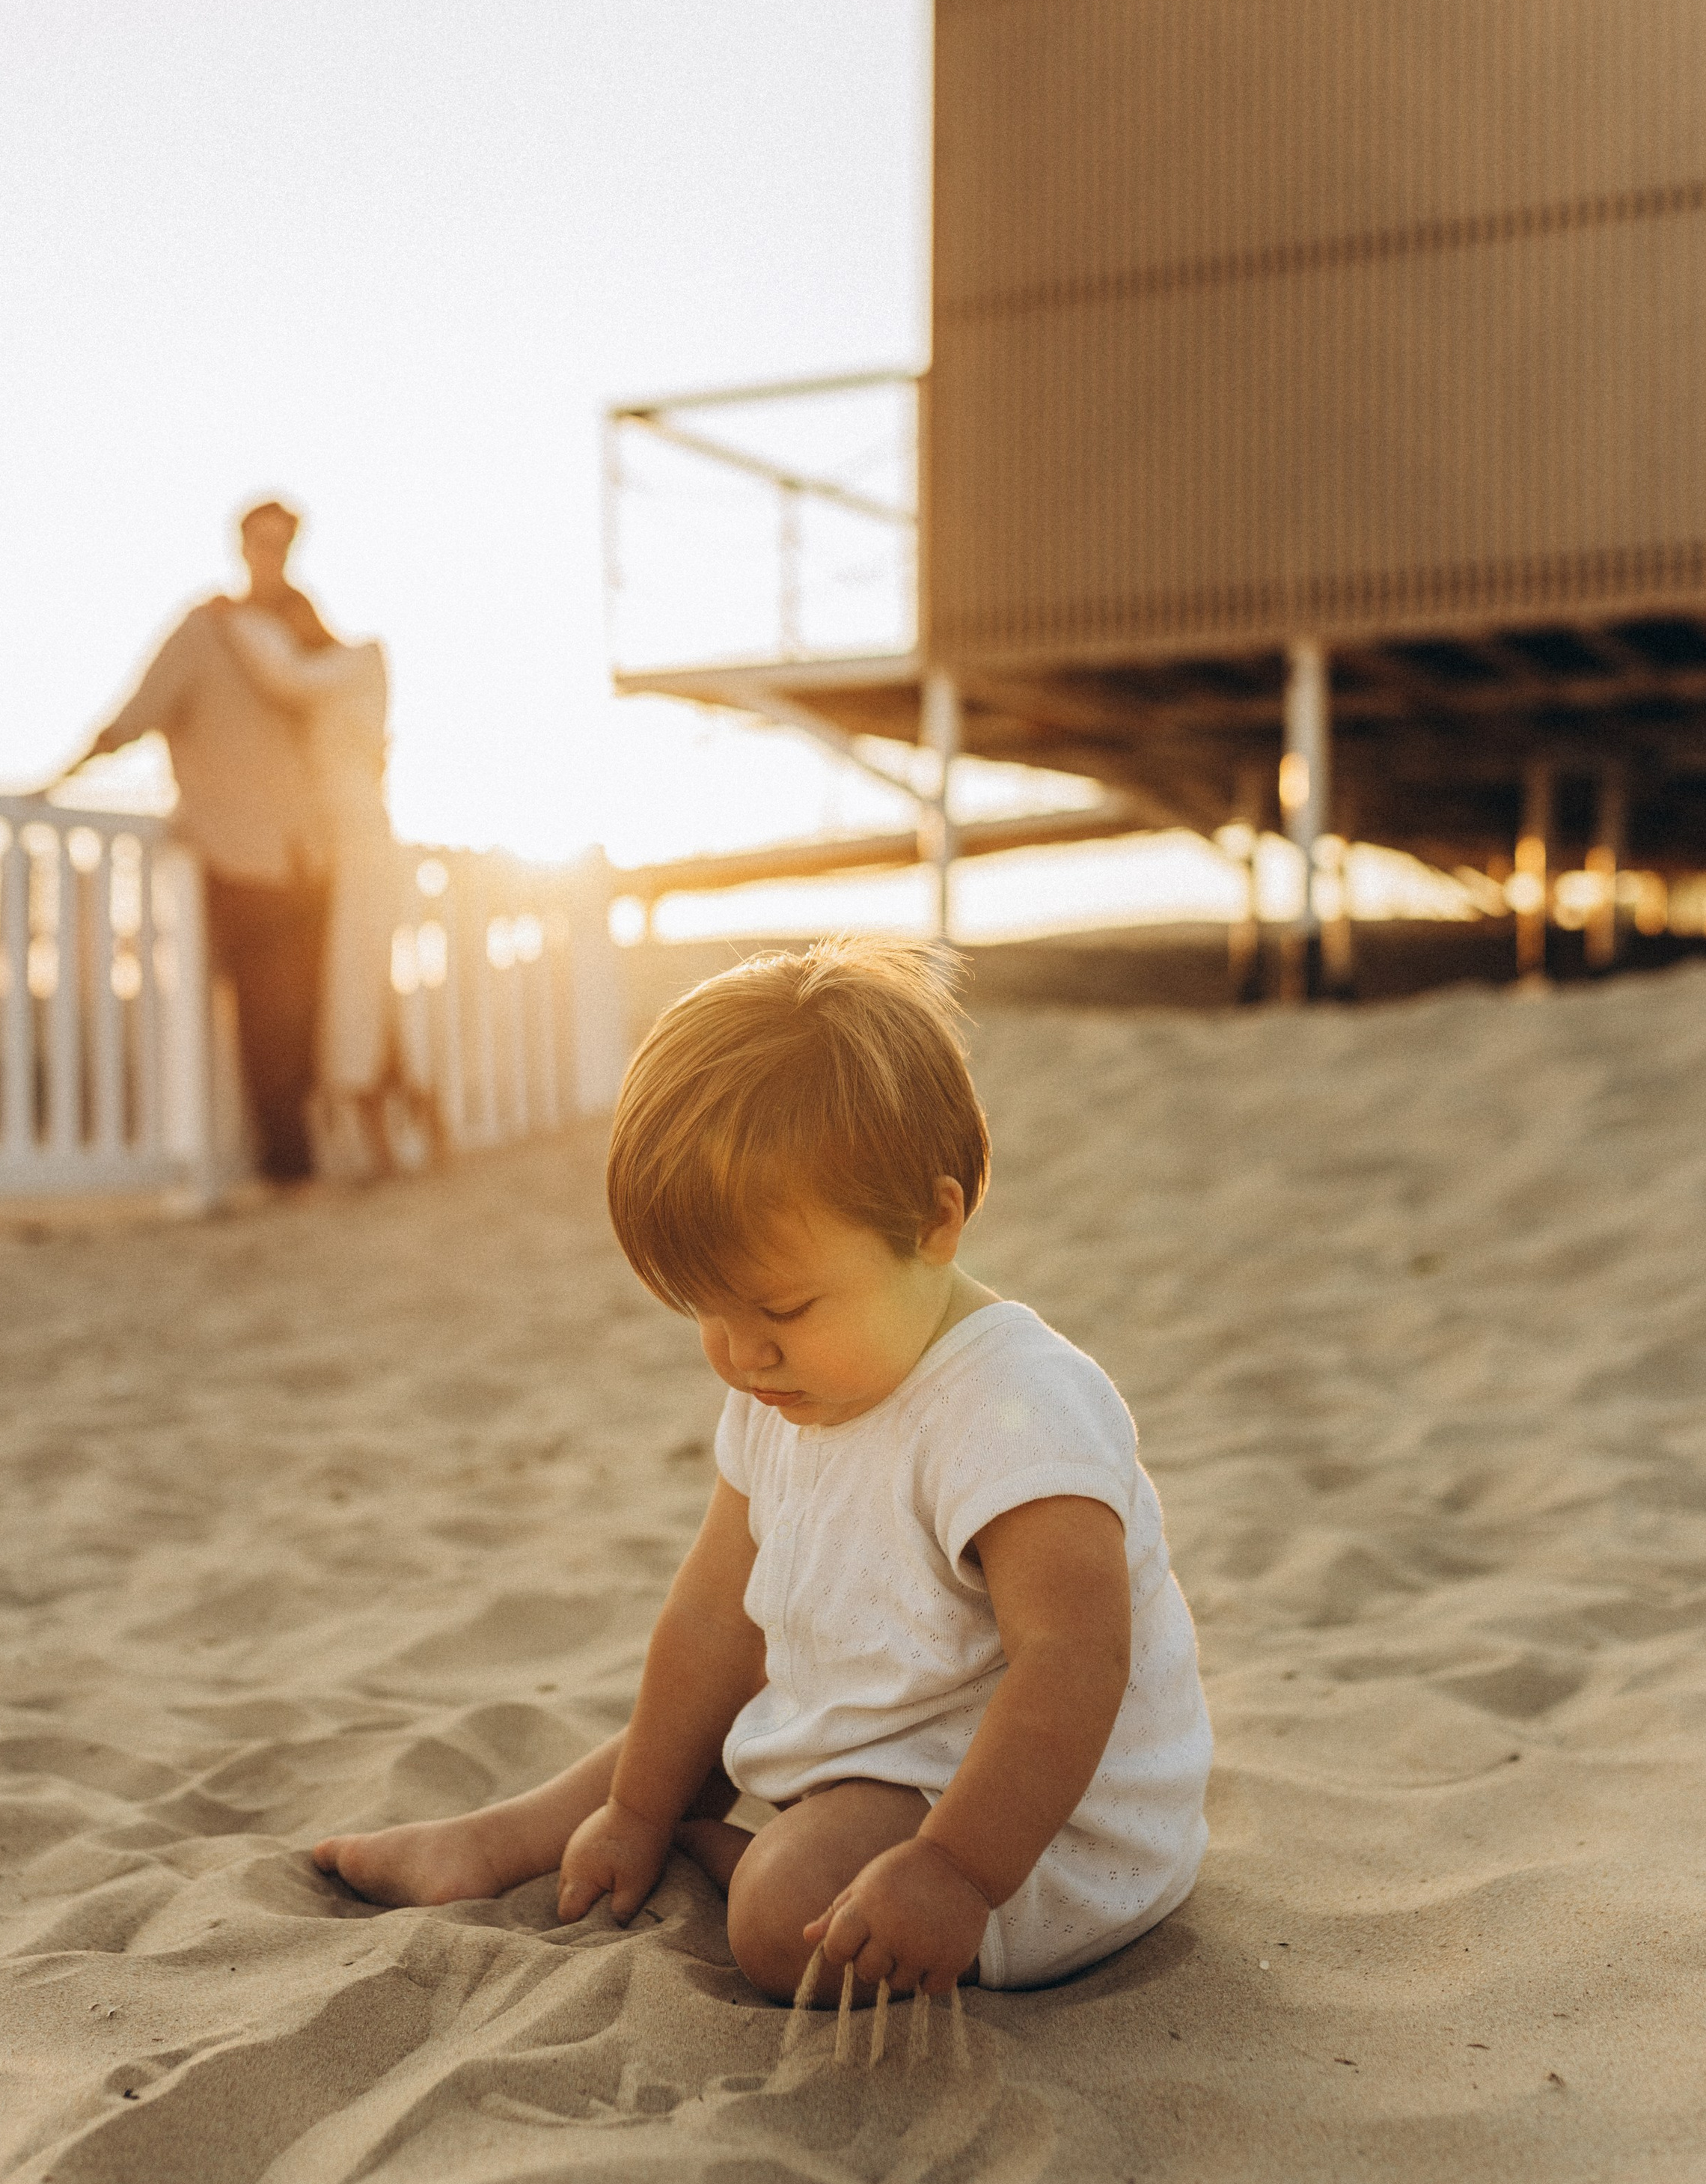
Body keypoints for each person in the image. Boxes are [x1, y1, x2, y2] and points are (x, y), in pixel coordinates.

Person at [315, 940, 1212, 2002]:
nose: (743, 1355)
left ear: (934, 1223)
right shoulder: (786, 1389)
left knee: (783, 1915)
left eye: (781, 1309)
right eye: (709, 1313)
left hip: (1041, 1821)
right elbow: (712, 1623)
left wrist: (954, 1871)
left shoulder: (1017, 1408)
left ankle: (732, 1851)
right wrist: (640, 1810)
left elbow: (1074, 1663)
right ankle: (512, 1836)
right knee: (671, 1736)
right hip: (878, 1745)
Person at [68, 502, 329, 1182]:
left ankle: (294, 1164)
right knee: (265, 1019)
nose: (271, 555)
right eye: (260, 542)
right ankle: (284, 1169)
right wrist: (61, 777)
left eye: (282, 543)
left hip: (308, 858)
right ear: (241, 545)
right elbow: (136, 712)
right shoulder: (205, 631)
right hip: (237, 854)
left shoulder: (302, 632)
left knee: (303, 1020)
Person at [218, 597, 405, 1177]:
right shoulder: (331, 679)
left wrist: (239, 621)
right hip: (327, 852)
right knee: (350, 998)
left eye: (290, 623)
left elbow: (286, 680)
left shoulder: (359, 660)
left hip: (360, 846)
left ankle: (380, 1147)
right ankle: (372, 1148)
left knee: (358, 995)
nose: (290, 636)